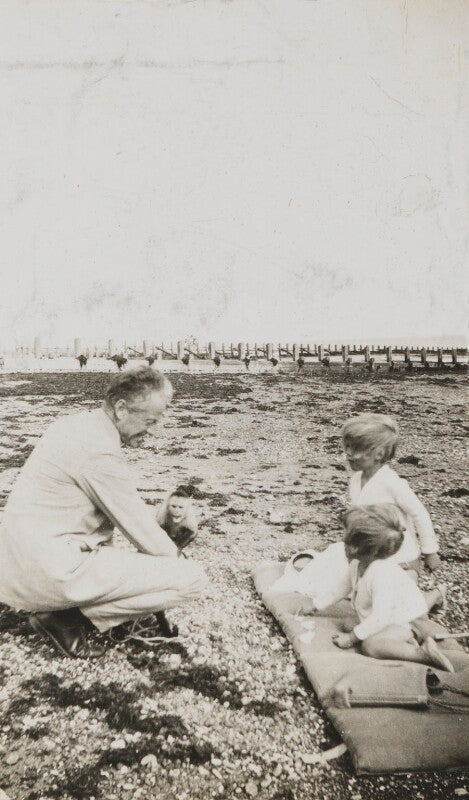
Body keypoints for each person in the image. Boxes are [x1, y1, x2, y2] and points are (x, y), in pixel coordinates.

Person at [0, 367, 208, 658]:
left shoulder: (77, 424)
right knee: (192, 579)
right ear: (121, 409)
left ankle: (68, 609)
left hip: (19, 566)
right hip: (48, 572)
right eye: (150, 420)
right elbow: (139, 528)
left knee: (136, 565)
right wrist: (176, 559)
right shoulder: (98, 449)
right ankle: (65, 619)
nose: (153, 430)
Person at [331, 505, 454, 672]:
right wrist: (315, 605)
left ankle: (422, 653)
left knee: (370, 645)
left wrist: (351, 639)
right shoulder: (358, 564)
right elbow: (340, 589)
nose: (343, 542)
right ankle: (435, 595)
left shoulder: (380, 573)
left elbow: (380, 617)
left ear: (370, 550)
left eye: (349, 541)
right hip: (395, 611)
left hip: (406, 620)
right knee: (349, 624)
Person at [342, 413, 441, 582]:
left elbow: (419, 513)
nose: (348, 454)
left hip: (401, 558)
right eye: (347, 447)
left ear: (379, 454)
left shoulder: (391, 482)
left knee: (389, 592)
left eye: (356, 448)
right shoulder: (356, 480)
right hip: (372, 554)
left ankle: (435, 593)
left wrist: (430, 551)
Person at [157, 486, 198, 551]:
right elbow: (156, 530)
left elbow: (193, 533)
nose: (177, 511)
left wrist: (179, 546)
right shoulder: (163, 512)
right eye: (173, 506)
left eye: (180, 507)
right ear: (167, 506)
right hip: (166, 528)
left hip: (182, 532)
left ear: (187, 508)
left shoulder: (189, 514)